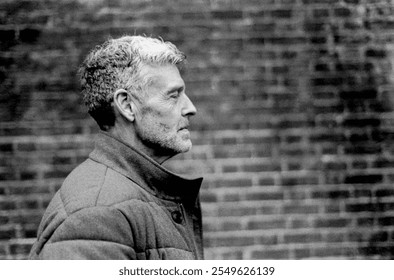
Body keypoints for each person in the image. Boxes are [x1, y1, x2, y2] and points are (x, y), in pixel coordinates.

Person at [28, 35, 204, 260]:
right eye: (173, 95)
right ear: (126, 105)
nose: (190, 108)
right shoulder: (96, 213)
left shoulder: (132, 194)